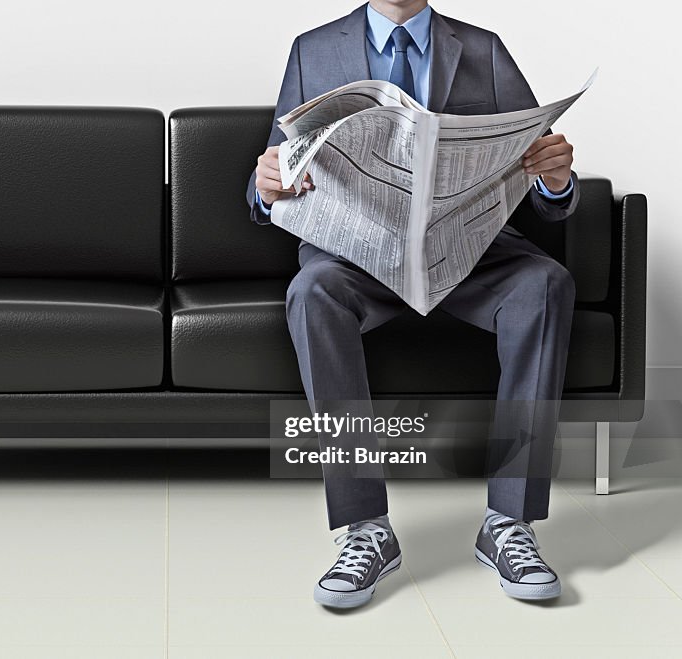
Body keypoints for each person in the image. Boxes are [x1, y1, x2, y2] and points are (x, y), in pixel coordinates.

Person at [247, 0, 579, 608]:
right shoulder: (312, 50)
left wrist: (554, 180)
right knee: (311, 292)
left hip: (474, 253)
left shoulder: (484, 49)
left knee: (545, 283)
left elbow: (539, 173)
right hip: (358, 256)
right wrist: (269, 184)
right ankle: (366, 527)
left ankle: (510, 522)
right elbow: (270, 172)